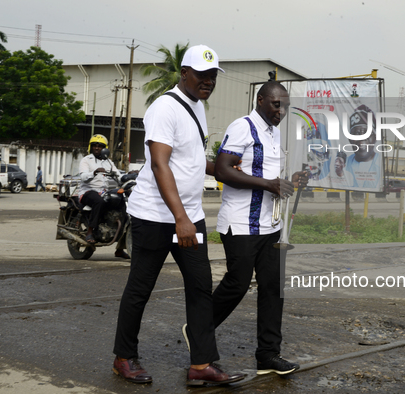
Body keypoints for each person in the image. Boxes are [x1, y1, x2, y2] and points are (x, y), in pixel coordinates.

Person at [112, 45, 244, 386]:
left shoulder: (197, 108)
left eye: (213, 76)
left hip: (189, 214)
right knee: (140, 288)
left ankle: (201, 365)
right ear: (184, 72)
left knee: (201, 286)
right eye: (202, 75)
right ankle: (124, 358)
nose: (208, 82)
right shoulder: (164, 108)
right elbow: (160, 164)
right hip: (155, 215)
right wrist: (180, 218)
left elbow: (191, 160)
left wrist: (222, 169)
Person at [212, 81, 307, 375]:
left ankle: (268, 355)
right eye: (276, 105)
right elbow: (222, 169)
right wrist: (268, 184)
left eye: (285, 107)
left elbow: (269, 175)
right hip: (241, 223)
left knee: (272, 287)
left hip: (270, 225)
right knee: (237, 284)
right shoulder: (243, 127)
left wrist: (290, 179)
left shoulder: (274, 133)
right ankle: (200, 327)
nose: (281, 111)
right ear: (261, 100)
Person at [77, 135, 129, 259]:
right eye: (95, 145)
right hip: (88, 191)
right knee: (99, 201)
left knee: (122, 204)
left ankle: (120, 249)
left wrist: (130, 175)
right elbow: (83, 176)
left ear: (104, 149)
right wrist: (94, 172)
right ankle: (90, 232)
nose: (97, 148)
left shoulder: (108, 162)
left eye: (100, 146)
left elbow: (118, 175)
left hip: (103, 191)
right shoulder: (86, 160)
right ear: (90, 147)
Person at [345, 104, 382, 189]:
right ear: (350, 139)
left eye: (367, 133)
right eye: (357, 133)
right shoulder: (344, 165)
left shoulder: (381, 165)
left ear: (375, 138)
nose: (362, 138)